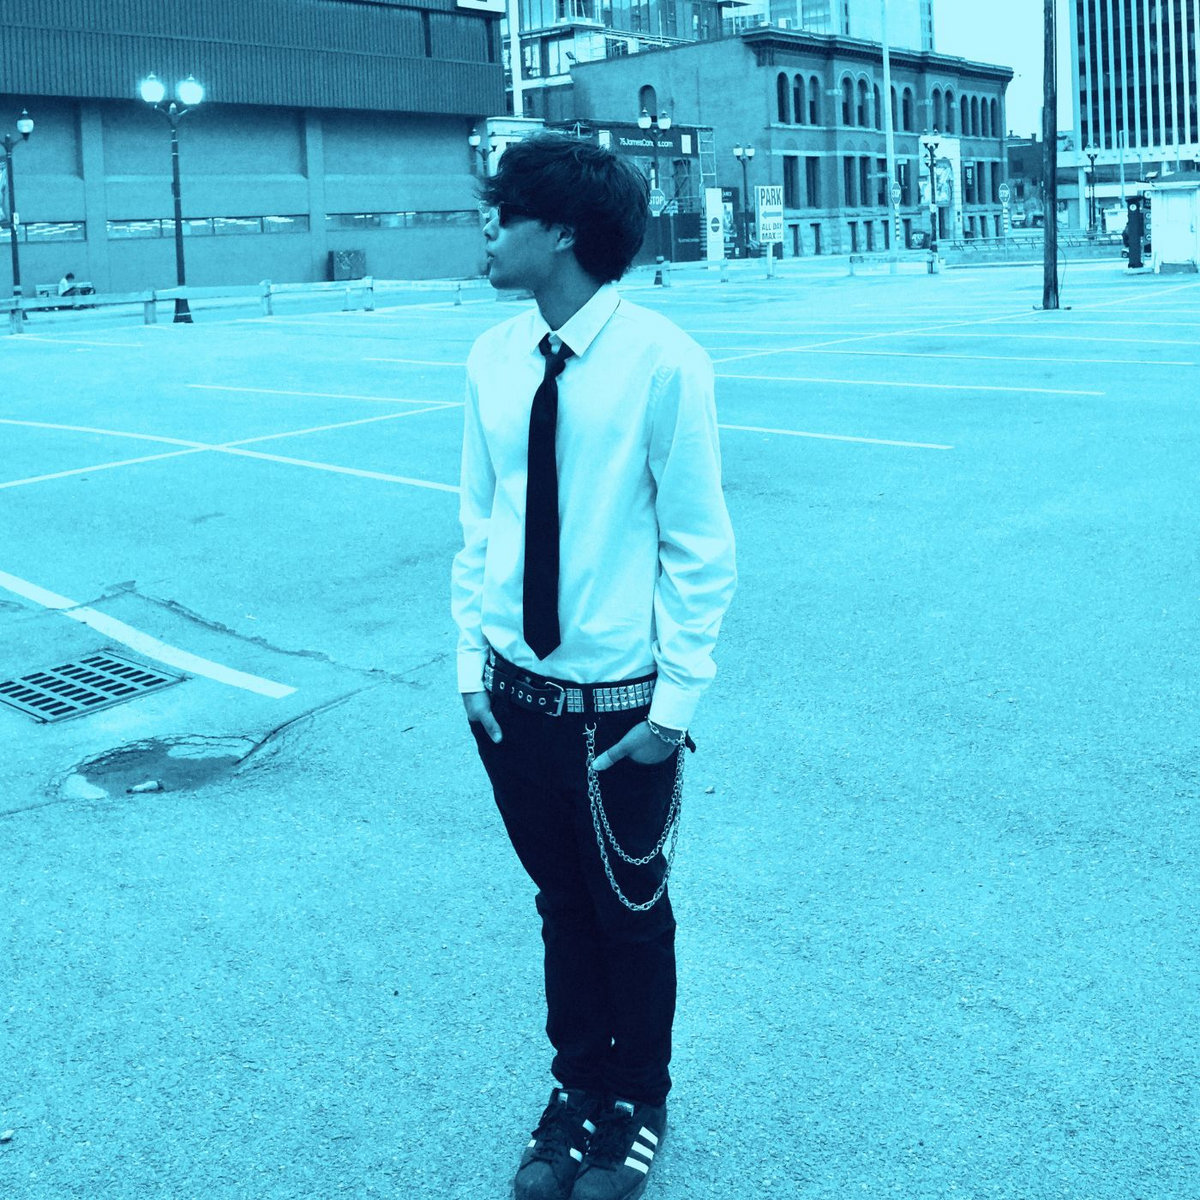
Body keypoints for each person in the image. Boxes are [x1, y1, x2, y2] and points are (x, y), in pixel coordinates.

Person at [450, 133, 736, 1200]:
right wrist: (469, 666)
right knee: (561, 906)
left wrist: (673, 709)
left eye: (505, 212)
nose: (488, 228)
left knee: (631, 912)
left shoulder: (664, 361)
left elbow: (699, 546)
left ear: (562, 231)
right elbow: (479, 521)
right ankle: (576, 1090)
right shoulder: (491, 359)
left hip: (619, 712)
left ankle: (637, 1103)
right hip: (511, 699)